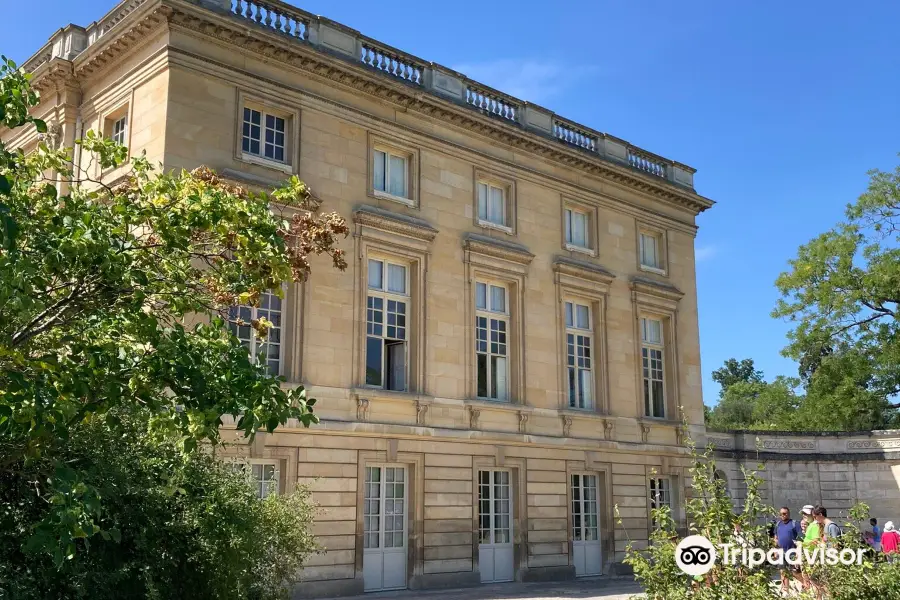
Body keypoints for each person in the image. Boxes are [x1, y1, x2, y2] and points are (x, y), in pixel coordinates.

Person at [773, 506, 802, 595]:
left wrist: (798, 552)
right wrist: (775, 550)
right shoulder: (778, 524)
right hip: (781, 552)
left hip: (792, 552)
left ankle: (805, 585)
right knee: (783, 571)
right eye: (781, 514)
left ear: (788, 514)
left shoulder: (794, 524)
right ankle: (786, 591)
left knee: (795, 572)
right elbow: (775, 538)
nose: (783, 515)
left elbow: (800, 538)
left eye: (785, 513)